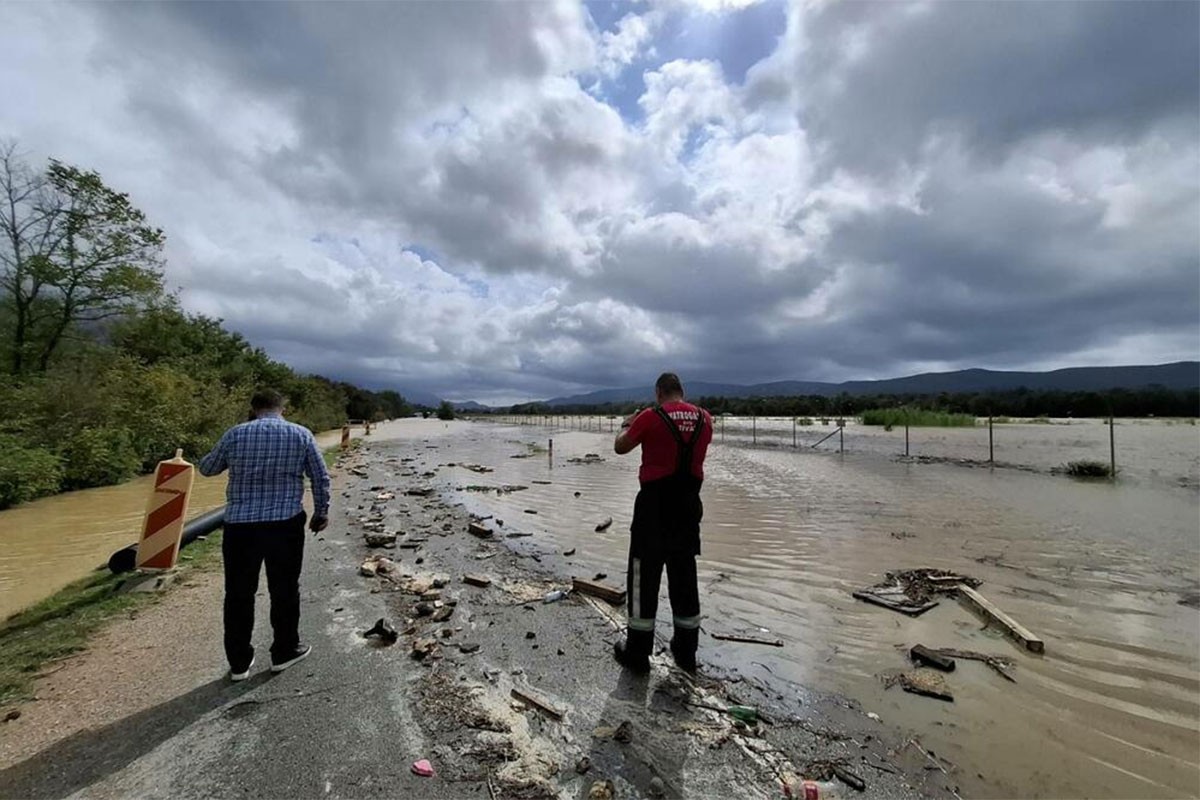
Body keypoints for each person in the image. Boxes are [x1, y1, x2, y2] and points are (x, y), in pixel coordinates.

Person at [199, 389, 331, 681]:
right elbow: (320, 476)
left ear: (253, 408)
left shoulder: (235, 434)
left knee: (238, 594)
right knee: (284, 589)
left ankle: (238, 663)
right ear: (282, 407)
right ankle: (284, 651)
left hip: (240, 527)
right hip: (284, 524)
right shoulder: (300, 434)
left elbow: (207, 469)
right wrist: (321, 512)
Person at [611, 372, 713, 674]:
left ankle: (638, 653)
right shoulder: (705, 419)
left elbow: (620, 447)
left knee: (644, 576)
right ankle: (685, 653)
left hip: (654, 507)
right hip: (688, 506)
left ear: (658, 392)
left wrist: (627, 424)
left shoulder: (649, 416)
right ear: (681, 391)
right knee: (684, 576)